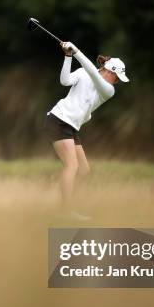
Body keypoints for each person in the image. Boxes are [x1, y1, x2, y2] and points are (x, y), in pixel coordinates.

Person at [44, 41, 129, 219]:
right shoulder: (84, 72)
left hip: (71, 126)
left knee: (83, 169)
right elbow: (64, 81)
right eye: (117, 77)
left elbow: (92, 72)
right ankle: (65, 211)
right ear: (109, 71)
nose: (117, 82)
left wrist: (76, 51)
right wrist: (68, 56)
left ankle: (68, 201)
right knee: (72, 166)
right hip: (59, 119)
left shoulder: (108, 90)